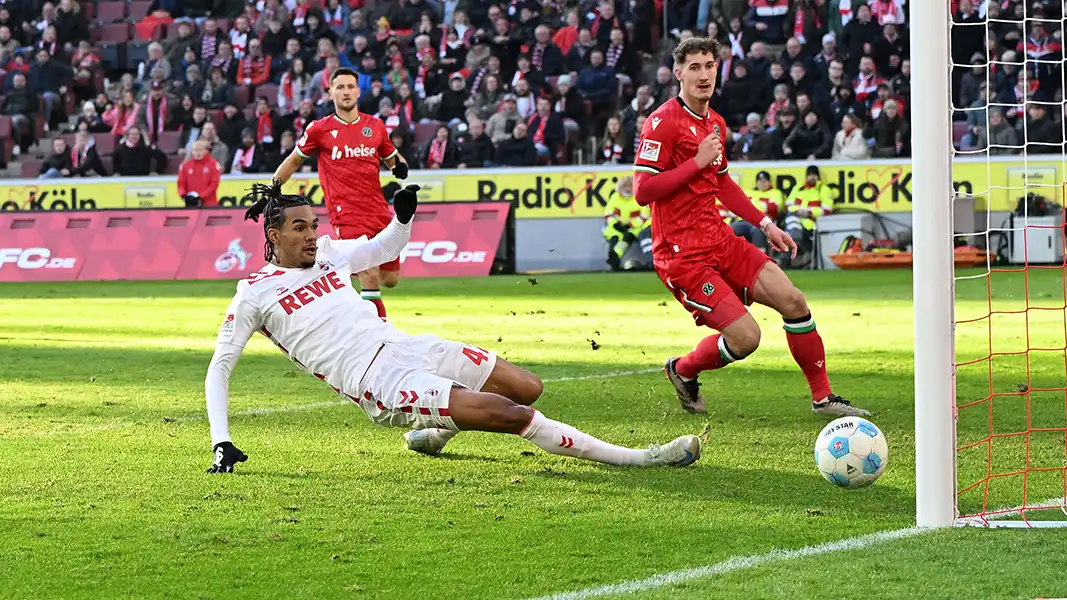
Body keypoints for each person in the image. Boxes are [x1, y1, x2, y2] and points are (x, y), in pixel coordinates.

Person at [204, 183, 701, 473]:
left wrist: (403, 218)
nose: (313, 235)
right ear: (274, 234)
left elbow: (382, 248)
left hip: (406, 346)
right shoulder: (255, 292)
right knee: (508, 413)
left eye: (314, 225)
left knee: (528, 388)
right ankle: (638, 458)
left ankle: (435, 432)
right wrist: (221, 440)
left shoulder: (330, 255)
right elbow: (220, 368)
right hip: (381, 383)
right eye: (300, 228)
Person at [631, 37, 869, 418]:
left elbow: (722, 183)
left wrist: (765, 223)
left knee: (793, 300)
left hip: (721, 239)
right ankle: (683, 369)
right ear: (678, 74)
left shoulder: (715, 123)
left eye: (709, 65)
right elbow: (643, 191)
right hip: (682, 256)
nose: (704, 74)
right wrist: (695, 162)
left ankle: (823, 399)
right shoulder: (661, 122)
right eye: (694, 67)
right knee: (746, 338)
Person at [271, 66, 409, 321]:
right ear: (330, 92)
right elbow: (293, 160)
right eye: (340, 87)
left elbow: (393, 159)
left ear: (358, 91)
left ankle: (336, 285)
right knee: (369, 273)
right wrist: (272, 188)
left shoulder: (374, 126)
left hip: (378, 210)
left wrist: (400, 167)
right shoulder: (319, 129)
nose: (345, 92)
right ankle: (377, 339)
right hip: (346, 212)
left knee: (389, 279)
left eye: (350, 87)